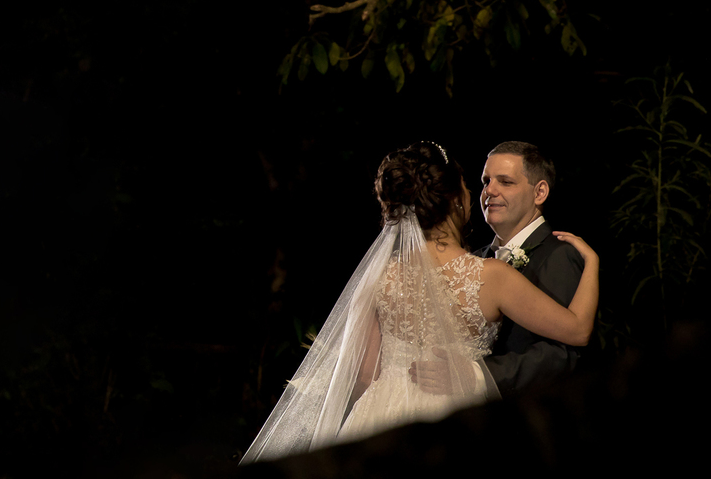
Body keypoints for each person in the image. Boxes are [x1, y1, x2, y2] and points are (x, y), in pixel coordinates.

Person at [239, 142, 598, 464]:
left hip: (379, 417)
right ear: (454, 199)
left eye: (502, 181)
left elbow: (364, 375)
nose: (485, 191)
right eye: (477, 183)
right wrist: (594, 263)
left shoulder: (379, 276)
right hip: (454, 419)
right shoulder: (488, 274)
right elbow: (579, 330)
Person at [410, 141, 585, 398]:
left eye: (505, 182)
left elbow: (562, 353)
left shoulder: (559, 253)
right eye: (486, 181)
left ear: (539, 193)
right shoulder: (475, 261)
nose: (489, 190)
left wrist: (478, 375)